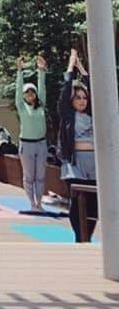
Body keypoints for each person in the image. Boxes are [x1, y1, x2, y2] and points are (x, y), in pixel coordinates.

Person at [58, 49, 95, 242]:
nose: (82, 101)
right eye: (78, 98)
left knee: (94, 204)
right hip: (75, 163)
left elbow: (95, 92)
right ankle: (79, 236)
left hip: (94, 164)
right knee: (77, 200)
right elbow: (65, 92)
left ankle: (86, 237)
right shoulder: (68, 115)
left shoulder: (93, 115)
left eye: (84, 98)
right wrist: (71, 66)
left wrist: (83, 69)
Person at [15, 54, 49, 212]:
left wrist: (41, 71)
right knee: (29, 176)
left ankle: (40, 202)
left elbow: (42, 88)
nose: (30, 95)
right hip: (26, 145)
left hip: (41, 144)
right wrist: (20, 71)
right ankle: (32, 203)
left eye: (32, 93)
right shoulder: (21, 107)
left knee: (40, 176)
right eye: (27, 93)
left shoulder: (40, 106)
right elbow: (17, 91)